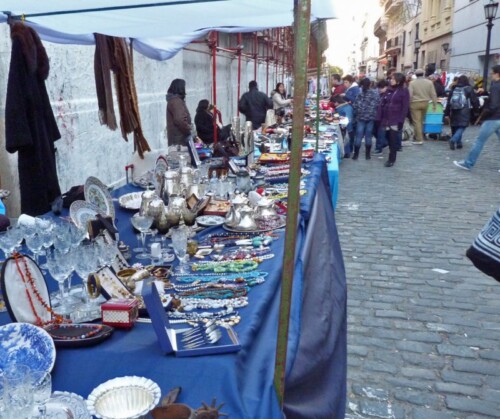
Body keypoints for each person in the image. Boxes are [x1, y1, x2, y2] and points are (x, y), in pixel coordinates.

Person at [454, 65, 500, 171]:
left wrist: (485, 113)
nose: (491, 75)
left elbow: (493, 105)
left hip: (493, 118)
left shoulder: (495, 86)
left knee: (479, 141)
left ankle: (468, 163)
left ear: (497, 74)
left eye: (492, 73)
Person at [379, 72, 410, 167]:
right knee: (388, 137)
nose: (391, 80)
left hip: (395, 118)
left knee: (392, 139)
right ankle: (391, 153)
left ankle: (392, 159)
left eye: (393, 79)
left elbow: (405, 107)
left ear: (398, 81)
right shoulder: (389, 89)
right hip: (386, 117)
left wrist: (401, 120)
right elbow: (383, 102)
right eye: (391, 79)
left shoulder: (403, 91)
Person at [444, 75, 480, 150]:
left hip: (454, 110)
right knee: (462, 126)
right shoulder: (469, 89)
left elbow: (448, 102)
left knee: (455, 126)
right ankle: (453, 140)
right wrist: (476, 110)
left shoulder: (454, 88)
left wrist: (446, 113)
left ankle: (459, 143)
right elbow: (474, 101)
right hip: (464, 110)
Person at [352, 78, 380, 160]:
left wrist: (359, 112)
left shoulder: (360, 94)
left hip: (361, 117)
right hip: (371, 117)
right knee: (368, 136)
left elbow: (355, 105)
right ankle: (368, 155)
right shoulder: (375, 93)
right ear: (370, 84)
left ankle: (356, 155)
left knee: (358, 136)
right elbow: (378, 104)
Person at [409, 68, 437, 144]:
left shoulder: (412, 83)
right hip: (425, 103)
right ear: (423, 74)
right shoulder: (429, 82)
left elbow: (410, 95)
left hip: (415, 103)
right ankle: (417, 136)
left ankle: (419, 139)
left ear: (415, 75)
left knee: (416, 121)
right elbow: (433, 94)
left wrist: (408, 103)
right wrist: (435, 104)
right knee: (420, 121)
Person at [166, 78, 192, 148]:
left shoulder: (174, 100)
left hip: (178, 139)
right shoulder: (176, 101)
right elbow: (179, 119)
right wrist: (188, 129)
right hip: (179, 140)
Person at [373, 79, 390, 154]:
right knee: (376, 131)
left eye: (381, 88)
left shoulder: (388, 95)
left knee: (380, 132)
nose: (380, 89)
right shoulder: (380, 95)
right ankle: (384, 142)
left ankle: (379, 147)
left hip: (384, 117)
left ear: (386, 87)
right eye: (379, 88)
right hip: (378, 116)